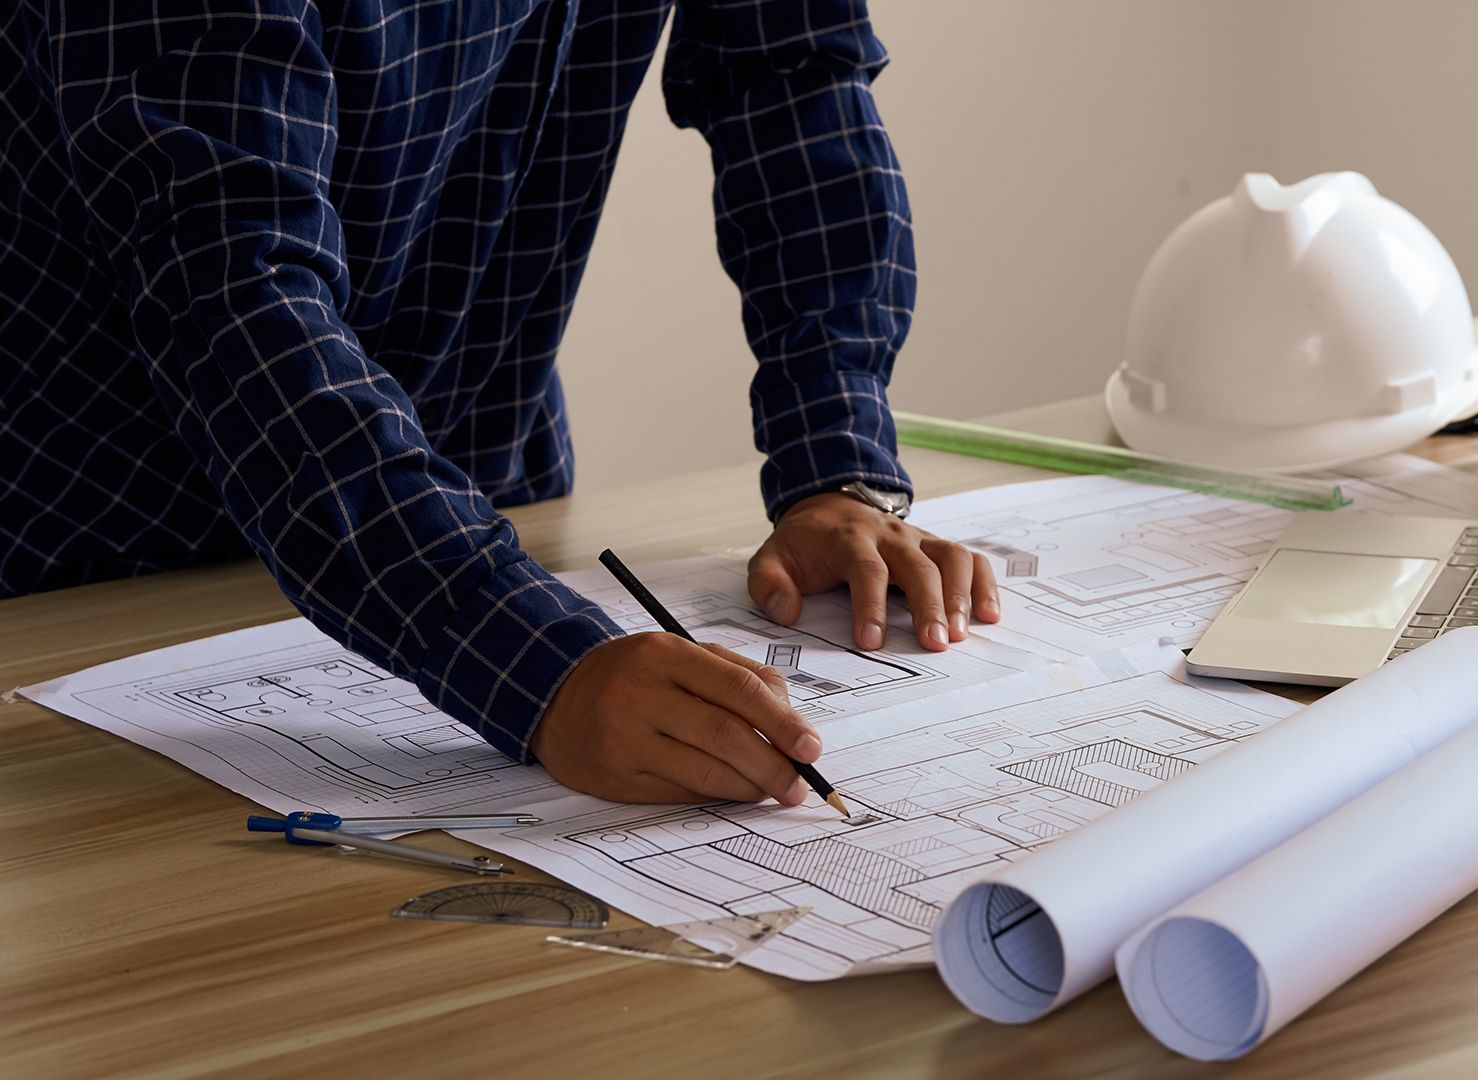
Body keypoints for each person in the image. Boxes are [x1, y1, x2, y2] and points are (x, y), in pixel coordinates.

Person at [0, 1, 997, 806]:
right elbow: (227, 274)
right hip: (90, 558)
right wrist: (535, 663)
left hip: (476, 492)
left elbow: (792, 80)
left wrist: (835, 464)